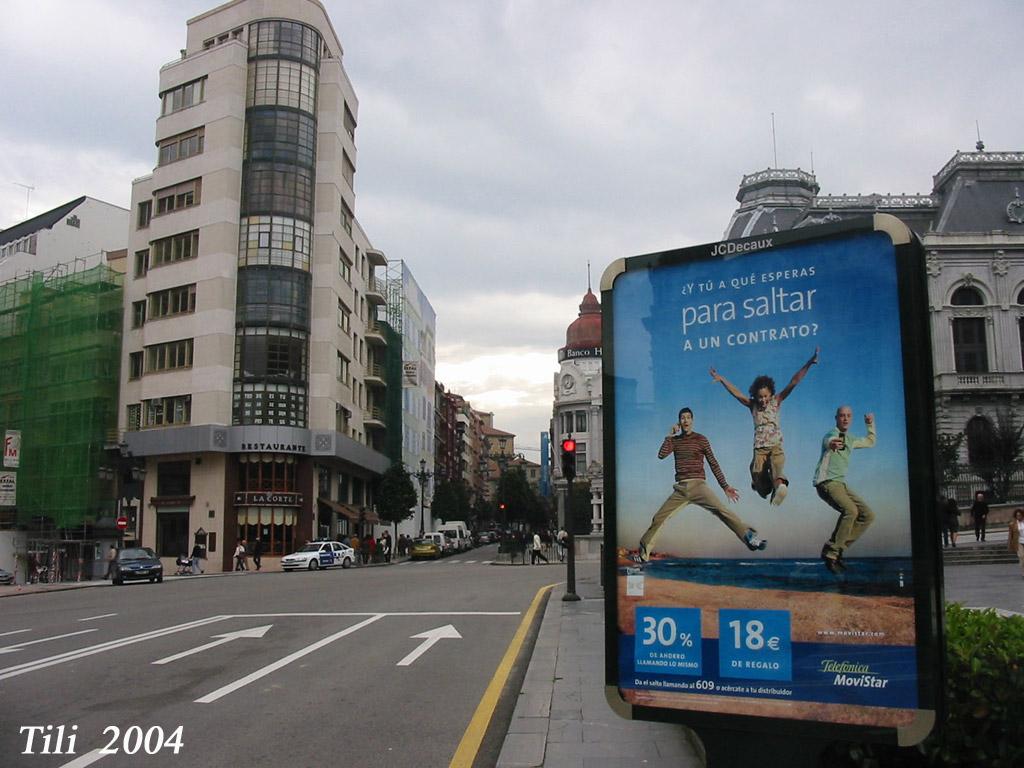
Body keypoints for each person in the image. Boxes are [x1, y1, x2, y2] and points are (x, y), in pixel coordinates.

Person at [632, 407, 766, 565]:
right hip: (681, 489)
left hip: (699, 486)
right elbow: (661, 455)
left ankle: (749, 538)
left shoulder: (701, 439)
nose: (686, 420)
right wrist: (669, 435)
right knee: (658, 518)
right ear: (679, 422)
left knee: (722, 511)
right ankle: (643, 554)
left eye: (688, 417)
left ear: (692, 420)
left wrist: (725, 486)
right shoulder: (674, 441)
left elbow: (713, 463)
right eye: (682, 418)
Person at [709, 347, 819, 506]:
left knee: (777, 469)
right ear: (755, 396)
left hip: (775, 446)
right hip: (759, 449)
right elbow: (737, 393)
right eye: (760, 397)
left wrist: (809, 363)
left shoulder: (777, 401)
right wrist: (722, 379)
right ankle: (762, 487)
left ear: (771, 394)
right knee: (757, 474)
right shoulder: (752, 405)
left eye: (766, 396)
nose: (763, 400)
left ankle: (780, 487)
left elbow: (794, 381)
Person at [814, 406, 876, 574]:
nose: (845, 419)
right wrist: (833, 443)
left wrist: (870, 425)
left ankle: (836, 548)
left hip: (840, 484)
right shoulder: (831, 434)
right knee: (851, 511)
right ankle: (832, 553)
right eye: (842, 416)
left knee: (868, 515)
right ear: (836, 418)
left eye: (848, 416)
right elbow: (829, 440)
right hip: (826, 482)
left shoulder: (851, 439)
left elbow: (870, 442)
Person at [1008, 508, 1024, 579]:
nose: (1019, 517)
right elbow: (1010, 535)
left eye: (1020, 515)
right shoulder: (1012, 524)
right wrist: (1010, 544)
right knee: (1021, 556)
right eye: (1017, 515)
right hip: (1019, 542)